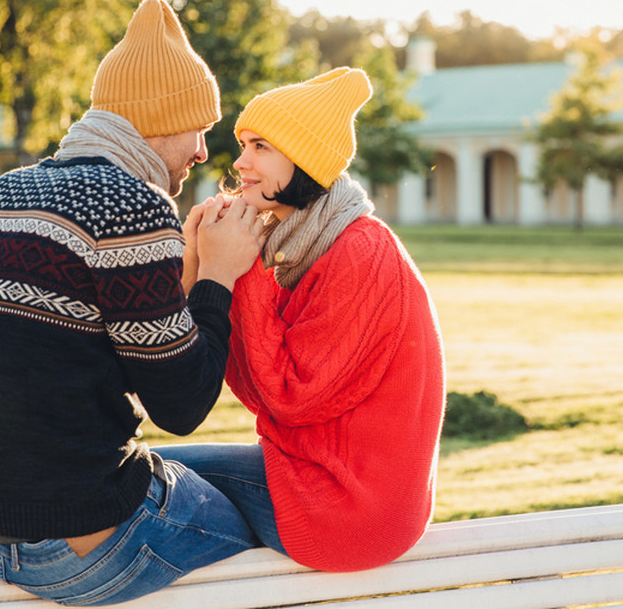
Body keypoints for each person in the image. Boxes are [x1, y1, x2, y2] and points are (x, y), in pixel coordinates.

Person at [0, 0, 266, 606]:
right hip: (79, 542)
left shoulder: (1, 194)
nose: (201, 152)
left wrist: (182, 274)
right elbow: (183, 404)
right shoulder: (130, 205)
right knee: (270, 544)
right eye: (199, 128)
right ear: (164, 120)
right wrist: (219, 274)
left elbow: (58, 363)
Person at [159, 67, 446, 572]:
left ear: (306, 159)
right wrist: (197, 258)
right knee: (150, 477)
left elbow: (289, 396)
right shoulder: (306, 247)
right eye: (244, 144)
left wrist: (234, 268)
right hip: (327, 482)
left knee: (142, 478)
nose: (241, 162)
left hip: (349, 509)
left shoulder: (361, 251)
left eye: (261, 147)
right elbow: (256, 384)